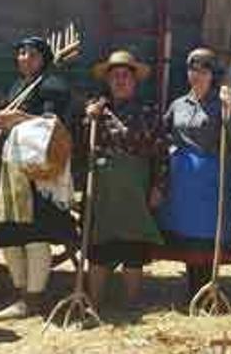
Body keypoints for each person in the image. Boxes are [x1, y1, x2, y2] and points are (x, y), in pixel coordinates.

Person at [0, 37, 76, 320]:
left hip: (41, 169)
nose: (24, 57)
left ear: (43, 58)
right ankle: (20, 294)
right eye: (21, 52)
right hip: (14, 169)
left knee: (36, 233)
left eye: (31, 53)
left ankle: (34, 298)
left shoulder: (53, 85)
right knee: (10, 233)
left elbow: (53, 125)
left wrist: (15, 118)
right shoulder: (19, 87)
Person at [153, 48, 231, 301]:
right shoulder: (178, 104)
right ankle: (193, 290)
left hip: (211, 179)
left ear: (212, 74)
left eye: (203, 69)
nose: (196, 74)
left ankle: (207, 293)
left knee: (207, 234)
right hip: (183, 179)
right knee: (187, 235)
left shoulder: (221, 104)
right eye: (192, 69)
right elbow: (163, 133)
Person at [84, 50, 165, 309]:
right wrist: (89, 118)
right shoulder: (96, 112)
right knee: (99, 247)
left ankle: (130, 304)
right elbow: (78, 147)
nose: (120, 80)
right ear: (108, 81)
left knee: (133, 249)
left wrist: (158, 187)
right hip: (103, 190)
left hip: (136, 189)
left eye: (125, 76)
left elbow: (162, 153)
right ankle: (95, 302)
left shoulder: (150, 112)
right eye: (115, 76)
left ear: (134, 81)